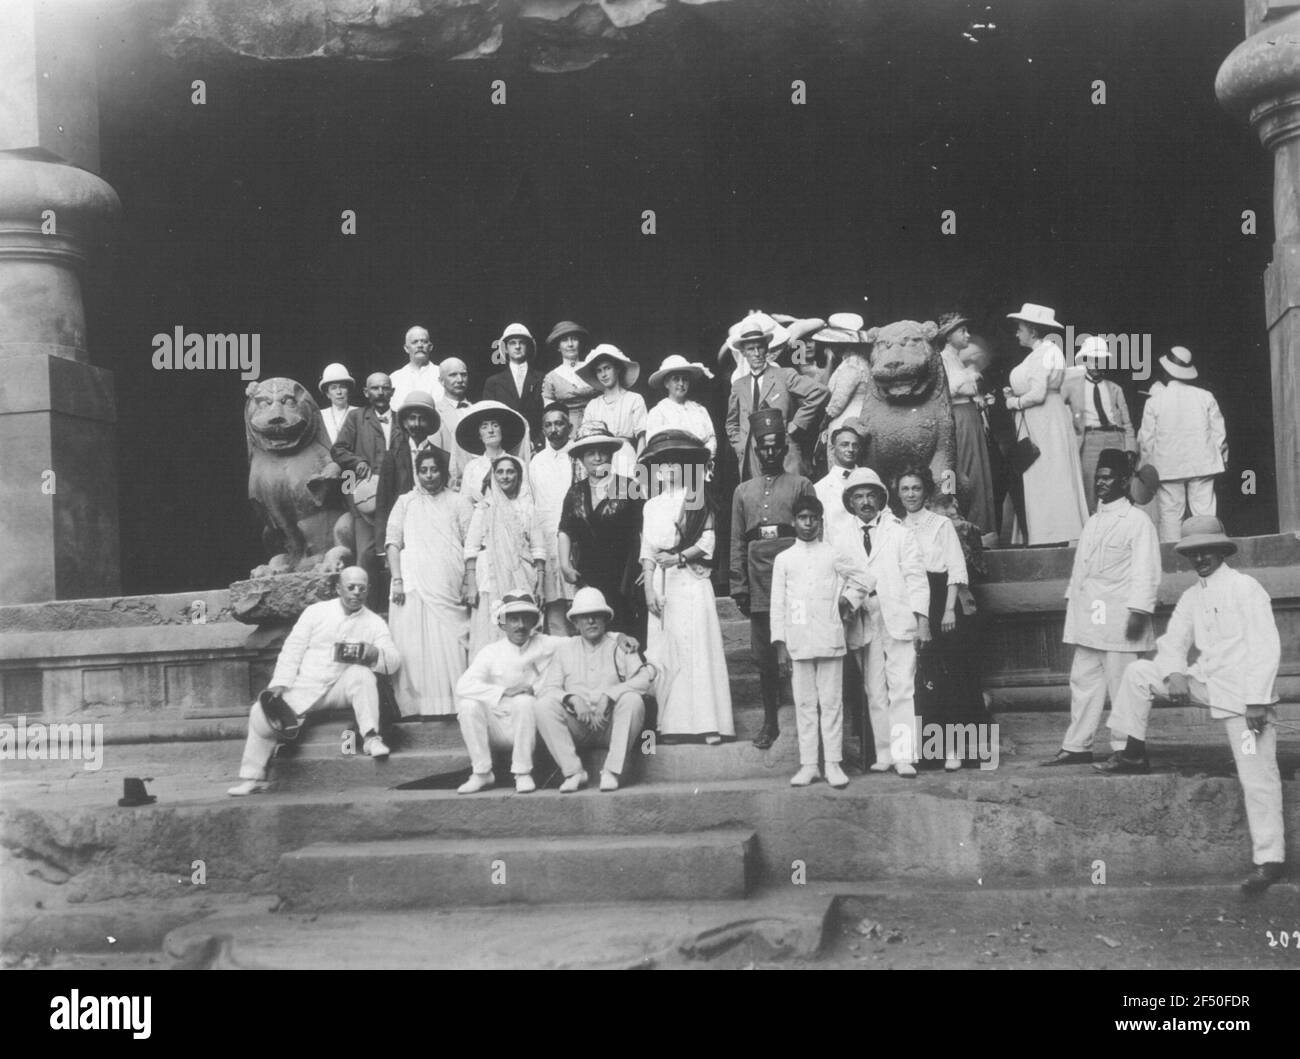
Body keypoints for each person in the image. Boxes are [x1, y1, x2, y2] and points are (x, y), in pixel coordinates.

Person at [1097, 517, 1286, 894]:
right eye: (1192, 552)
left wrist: (1255, 701)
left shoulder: (1246, 588)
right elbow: (1173, 642)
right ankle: (1132, 751)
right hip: (1205, 684)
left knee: (1257, 775)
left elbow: (1266, 647)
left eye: (1206, 550)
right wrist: (1174, 673)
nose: (1200, 557)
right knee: (1138, 673)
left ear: (1220, 550)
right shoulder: (1192, 596)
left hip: (1244, 700)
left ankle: (1269, 860)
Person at [227, 567, 400, 795]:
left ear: (368, 590)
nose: (356, 592)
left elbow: (394, 661)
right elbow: (293, 648)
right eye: (351, 587)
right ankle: (253, 778)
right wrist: (280, 682)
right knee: (259, 712)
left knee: (363, 675)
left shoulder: (375, 622)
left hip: (341, 689)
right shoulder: (315, 612)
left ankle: (370, 738)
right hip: (305, 686)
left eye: (362, 587)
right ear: (338, 588)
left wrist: (374, 653)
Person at [1040, 450, 1160, 766]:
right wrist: (1072, 605)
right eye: (1097, 477)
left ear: (1123, 480)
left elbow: (1146, 571)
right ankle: (1077, 745)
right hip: (1090, 619)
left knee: (1123, 686)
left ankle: (1126, 749)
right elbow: (1082, 571)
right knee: (1083, 682)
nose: (1100, 482)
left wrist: (1139, 611)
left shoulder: (1138, 522)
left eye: (1107, 477)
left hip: (1121, 618)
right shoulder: (1093, 521)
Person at [730, 408, 818, 749]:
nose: (769, 453)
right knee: (764, 654)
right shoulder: (743, 491)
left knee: (799, 647)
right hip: (759, 582)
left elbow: (812, 533)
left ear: (784, 449)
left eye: (775, 447)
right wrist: (739, 585)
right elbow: (738, 540)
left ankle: (806, 716)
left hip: (794, 581)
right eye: (763, 447)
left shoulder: (801, 485)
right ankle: (770, 720)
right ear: (756, 451)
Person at [639, 430, 734, 744]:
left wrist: (678, 557)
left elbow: (708, 542)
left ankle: (708, 723)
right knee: (668, 651)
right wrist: (648, 591)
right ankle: (672, 724)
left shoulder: (697, 498)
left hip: (691, 581)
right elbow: (647, 551)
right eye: (662, 464)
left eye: (675, 464)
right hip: (662, 584)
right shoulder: (651, 505)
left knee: (696, 649)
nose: (668, 470)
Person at [835, 468, 929, 777]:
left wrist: (922, 619)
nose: (865, 502)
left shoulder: (899, 532)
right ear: (850, 501)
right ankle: (885, 752)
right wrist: (846, 602)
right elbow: (838, 576)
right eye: (858, 496)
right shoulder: (839, 536)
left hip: (897, 615)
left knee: (901, 686)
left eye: (870, 495)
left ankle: (904, 756)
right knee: (874, 689)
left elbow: (916, 578)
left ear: (880, 499)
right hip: (863, 618)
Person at [771, 495, 868, 788]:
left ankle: (834, 764)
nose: (808, 523)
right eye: (802, 517)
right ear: (793, 521)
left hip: (830, 637)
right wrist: (780, 645)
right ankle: (809, 764)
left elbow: (865, 578)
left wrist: (846, 600)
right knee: (804, 704)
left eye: (813, 518)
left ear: (820, 521)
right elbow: (778, 604)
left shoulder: (832, 554)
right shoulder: (784, 559)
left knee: (832, 703)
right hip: (798, 639)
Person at [896, 466, 989, 770]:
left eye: (916, 488)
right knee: (926, 678)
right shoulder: (895, 527)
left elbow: (956, 567)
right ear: (898, 493)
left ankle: (962, 751)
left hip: (942, 599)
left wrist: (949, 609)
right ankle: (934, 752)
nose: (911, 494)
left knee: (955, 676)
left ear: (925, 491)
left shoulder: (940, 524)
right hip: (913, 599)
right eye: (905, 489)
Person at [535, 587, 658, 792]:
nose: (591, 621)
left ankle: (611, 771)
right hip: (579, 726)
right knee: (543, 706)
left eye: (596, 616)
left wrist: (610, 695)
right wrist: (571, 698)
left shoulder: (621, 644)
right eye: (584, 617)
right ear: (575, 623)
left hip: (611, 726)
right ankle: (574, 772)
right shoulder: (564, 649)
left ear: (605, 619)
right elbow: (549, 688)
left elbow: (645, 679)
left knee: (632, 700)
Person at [386, 445, 474, 718]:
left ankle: (454, 704)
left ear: (443, 472)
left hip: (448, 578)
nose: (429, 475)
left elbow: (471, 543)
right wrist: (397, 579)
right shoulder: (405, 502)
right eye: (423, 471)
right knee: (415, 644)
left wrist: (468, 580)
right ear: (417, 473)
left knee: (449, 640)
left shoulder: (458, 501)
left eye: (434, 469)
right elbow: (392, 543)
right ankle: (419, 708)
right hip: (413, 583)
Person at [1003, 303, 1088, 545]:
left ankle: (1053, 532)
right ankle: (1045, 531)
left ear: (1032, 329)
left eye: (1020, 328)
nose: (1017, 333)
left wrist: (1013, 402)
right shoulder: (1041, 353)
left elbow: (1038, 393)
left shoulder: (1045, 353)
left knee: (1049, 472)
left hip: (1045, 421)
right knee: (1043, 473)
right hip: (1041, 419)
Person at [453, 590, 546, 795]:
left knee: (524, 701)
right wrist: (504, 691)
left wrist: (617, 636)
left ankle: (522, 772)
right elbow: (463, 685)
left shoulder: (545, 643)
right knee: (468, 704)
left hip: (530, 727)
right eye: (513, 619)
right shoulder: (490, 651)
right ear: (502, 623)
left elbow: (578, 642)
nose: (520, 625)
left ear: (533, 622)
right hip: (496, 728)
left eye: (525, 619)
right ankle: (482, 772)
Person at [557, 420, 645, 636]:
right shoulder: (575, 492)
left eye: (602, 452)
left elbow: (644, 528)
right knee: (593, 630)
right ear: (582, 459)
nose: (597, 458)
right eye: (590, 453)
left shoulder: (628, 487)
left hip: (624, 574)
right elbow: (565, 530)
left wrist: (645, 564)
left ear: (611, 455)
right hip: (587, 574)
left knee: (625, 631)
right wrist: (565, 565)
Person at [1136, 346, 1228, 542]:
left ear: (1165, 371)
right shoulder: (1205, 396)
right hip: (1202, 463)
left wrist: (1145, 468)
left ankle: (1173, 561)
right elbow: (1219, 434)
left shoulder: (1155, 402)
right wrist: (1221, 457)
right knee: (1204, 513)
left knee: (1170, 515)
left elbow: (1146, 441)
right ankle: (1207, 551)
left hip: (1167, 466)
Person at [725, 313, 829, 480]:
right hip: (752, 455)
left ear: (767, 348)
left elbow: (820, 392)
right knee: (758, 500)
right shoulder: (739, 385)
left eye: (760, 347)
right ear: (743, 353)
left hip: (784, 451)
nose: (757, 353)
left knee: (789, 499)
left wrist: (797, 424)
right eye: (751, 349)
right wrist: (740, 446)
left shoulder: (784, 374)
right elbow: (731, 423)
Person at [465, 454, 547, 657]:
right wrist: (471, 584)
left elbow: (538, 549)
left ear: (518, 477)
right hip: (490, 578)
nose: (505, 476)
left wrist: (542, 584)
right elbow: (471, 549)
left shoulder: (527, 508)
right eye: (500, 472)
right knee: (492, 624)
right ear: (493, 476)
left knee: (520, 621)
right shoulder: (484, 509)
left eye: (510, 471)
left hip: (521, 577)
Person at [331, 372, 396, 607]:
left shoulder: (401, 420)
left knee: (396, 552)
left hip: (396, 500)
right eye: (375, 388)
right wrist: (357, 462)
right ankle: (366, 611)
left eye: (385, 388)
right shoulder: (355, 418)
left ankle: (395, 610)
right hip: (365, 500)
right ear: (367, 393)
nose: (380, 392)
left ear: (392, 392)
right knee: (367, 554)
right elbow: (338, 450)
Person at [936, 312, 997, 537]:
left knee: (978, 469)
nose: (967, 335)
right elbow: (948, 390)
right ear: (949, 335)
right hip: (958, 415)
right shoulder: (942, 359)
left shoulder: (958, 359)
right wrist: (970, 375)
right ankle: (966, 525)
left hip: (969, 413)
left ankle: (981, 527)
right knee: (964, 468)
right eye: (962, 331)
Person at [1062, 336, 1137, 514]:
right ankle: (1092, 529)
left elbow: (1127, 422)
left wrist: (1130, 448)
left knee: (1119, 483)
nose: (1096, 365)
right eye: (1092, 360)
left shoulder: (1115, 388)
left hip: (1115, 437)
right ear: (1085, 361)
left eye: (1100, 361)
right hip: (1089, 440)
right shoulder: (1072, 386)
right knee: (1090, 485)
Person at [376, 391, 443, 579]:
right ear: (404, 422)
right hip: (405, 530)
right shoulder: (392, 457)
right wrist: (384, 547)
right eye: (412, 418)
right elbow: (383, 504)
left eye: (422, 419)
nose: (416, 424)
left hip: (435, 528)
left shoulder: (442, 457)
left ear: (430, 424)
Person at [530, 401, 583, 635]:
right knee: (554, 614)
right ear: (543, 430)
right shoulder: (536, 462)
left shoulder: (578, 457)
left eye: (559, 424)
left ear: (569, 427)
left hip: (576, 541)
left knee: (581, 608)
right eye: (549, 425)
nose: (554, 430)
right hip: (547, 542)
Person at [577, 344, 647, 479]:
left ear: (618, 369)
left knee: (625, 495)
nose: (603, 374)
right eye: (599, 370)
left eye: (607, 368)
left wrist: (639, 467)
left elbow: (642, 439)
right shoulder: (593, 405)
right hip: (599, 458)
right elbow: (586, 441)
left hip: (625, 458)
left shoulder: (634, 399)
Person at [481, 323, 545, 448]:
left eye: (522, 342)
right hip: (505, 446)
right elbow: (489, 417)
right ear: (505, 347)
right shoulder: (493, 382)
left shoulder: (542, 378)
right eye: (512, 343)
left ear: (528, 346)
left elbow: (547, 415)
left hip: (536, 445)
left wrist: (537, 442)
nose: (517, 346)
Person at [455, 400, 530, 506]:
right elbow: (465, 502)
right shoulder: (472, 467)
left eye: (495, 425)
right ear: (479, 435)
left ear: (502, 430)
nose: (490, 430)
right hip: (479, 518)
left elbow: (524, 498)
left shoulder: (517, 463)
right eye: (484, 427)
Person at [645, 354, 717, 458]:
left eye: (685, 379)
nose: (681, 383)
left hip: (699, 465)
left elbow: (711, 438)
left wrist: (705, 457)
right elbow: (653, 444)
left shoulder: (699, 410)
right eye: (676, 379)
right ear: (666, 383)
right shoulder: (658, 412)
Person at [817, 313, 873, 440]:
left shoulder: (852, 364)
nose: (829, 345)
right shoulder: (857, 361)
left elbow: (837, 404)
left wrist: (822, 424)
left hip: (846, 423)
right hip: (856, 420)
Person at [814, 424, 865, 549]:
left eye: (855, 445)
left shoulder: (870, 481)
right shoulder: (819, 489)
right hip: (838, 555)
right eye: (844, 444)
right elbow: (820, 532)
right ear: (832, 449)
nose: (850, 449)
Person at [541, 321, 598, 431]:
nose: (570, 344)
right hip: (567, 430)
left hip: (596, 423)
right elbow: (550, 412)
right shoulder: (551, 377)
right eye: (565, 340)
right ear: (558, 347)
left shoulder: (592, 368)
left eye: (574, 339)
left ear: (579, 343)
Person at [434, 357, 474, 491]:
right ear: (441, 381)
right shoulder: (434, 413)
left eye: (463, 374)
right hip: (449, 486)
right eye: (453, 375)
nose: (460, 380)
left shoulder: (478, 410)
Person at [390, 325, 444, 410]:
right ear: (406, 348)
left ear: (430, 347)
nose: (420, 345)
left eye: (424, 341)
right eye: (415, 342)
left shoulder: (442, 373)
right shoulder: (395, 378)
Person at [317, 362, 357, 445]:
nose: (339, 392)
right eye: (333, 388)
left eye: (342, 387)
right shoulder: (320, 415)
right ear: (327, 394)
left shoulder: (359, 413)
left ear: (348, 390)